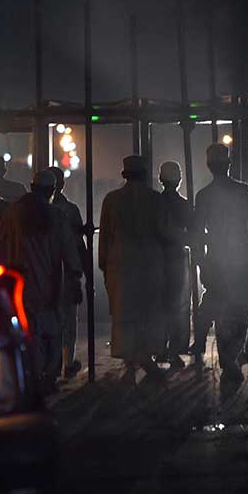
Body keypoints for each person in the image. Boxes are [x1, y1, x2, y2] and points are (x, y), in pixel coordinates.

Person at [192, 143, 248, 386]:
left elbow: (197, 236)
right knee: (240, 313)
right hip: (244, 260)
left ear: (208, 166)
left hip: (218, 262)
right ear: (229, 165)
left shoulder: (204, 196)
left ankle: (228, 359)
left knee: (222, 313)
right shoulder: (244, 191)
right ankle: (231, 359)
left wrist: (202, 262)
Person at [0, 171, 83, 394]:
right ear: (51, 191)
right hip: (49, 283)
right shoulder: (56, 215)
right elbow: (69, 251)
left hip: (19, 283)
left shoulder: (12, 213)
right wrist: (75, 277)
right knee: (52, 331)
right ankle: (49, 376)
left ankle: (31, 375)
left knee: (28, 330)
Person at [98, 155, 167, 385]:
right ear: (145, 175)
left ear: (124, 175)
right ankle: (146, 358)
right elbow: (164, 233)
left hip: (120, 265)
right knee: (148, 314)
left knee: (124, 316)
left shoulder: (112, 199)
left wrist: (104, 264)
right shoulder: (155, 199)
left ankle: (129, 364)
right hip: (150, 265)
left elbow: (105, 236)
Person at [46, 166, 89, 379]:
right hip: (66, 271)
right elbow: (78, 245)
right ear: (61, 184)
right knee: (69, 320)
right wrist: (85, 273)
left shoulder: (34, 211)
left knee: (49, 321)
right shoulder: (70, 210)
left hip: (44, 273)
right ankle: (67, 363)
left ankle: (50, 367)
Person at [157, 161, 192, 370]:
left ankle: (160, 347)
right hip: (177, 258)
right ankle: (175, 350)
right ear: (179, 179)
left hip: (157, 260)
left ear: (160, 179)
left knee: (159, 305)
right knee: (177, 306)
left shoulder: (154, 203)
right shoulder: (183, 204)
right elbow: (191, 231)